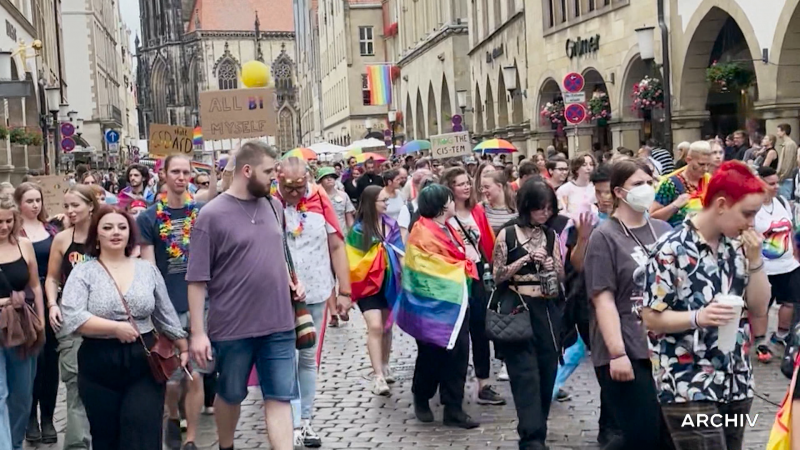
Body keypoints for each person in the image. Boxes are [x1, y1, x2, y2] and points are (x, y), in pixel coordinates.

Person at [642, 161, 771, 450]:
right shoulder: (671, 248)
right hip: (688, 382)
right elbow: (650, 317)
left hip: (736, 378)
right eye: (747, 213)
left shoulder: (738, 247)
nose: (751, 223)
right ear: (722, 205)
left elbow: (760, 308)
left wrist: (756, 260)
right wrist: (698, 317)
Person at [187, 141, 303, 450]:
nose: (273, 179)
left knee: (280, 396)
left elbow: (279, 252)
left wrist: (294, 281)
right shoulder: (210, 215)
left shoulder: (273, 206)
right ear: (247, 171)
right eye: (268, 172)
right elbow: (197, 279)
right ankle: (226, 446)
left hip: (279, 323)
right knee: (231, 393)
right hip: (233, 327)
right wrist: (198, 333)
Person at [59, 205, 188, 450]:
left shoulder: (146, 269)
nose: (115, 232)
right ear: (97, 235)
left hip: (143, 358)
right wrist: (114, 328)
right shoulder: (84, 272)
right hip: (98, 359)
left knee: (142, 429)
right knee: (106, 436)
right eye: (107, 228)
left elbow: (165, 314)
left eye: (122, 227)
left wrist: (183, 345)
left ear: (130, 233)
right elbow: (73, 317)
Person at [583, 159, 672, 449]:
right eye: (638, 184)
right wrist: (617, 353)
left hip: (668, 348)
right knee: (641, 434)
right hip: (628, 347)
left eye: (649, 182)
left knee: (671, 434)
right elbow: (603, 298)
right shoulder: (605, 236)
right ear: (620, 192)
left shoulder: (663, 230)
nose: (646, 189)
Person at [273, 157, 351, 447]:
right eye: (287, 187)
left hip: (317, 291)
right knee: (285, 358)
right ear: (277, 179)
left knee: (307, 358)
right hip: (278, 293)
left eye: (299, 186)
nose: (294, 194)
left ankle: (305, 422)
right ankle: (288, 422)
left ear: (308, 178)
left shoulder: (320, 199)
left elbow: (336, 244)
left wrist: (344, 290)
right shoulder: (268, 202)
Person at [136, 154, 204, 450]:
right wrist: (159, 312)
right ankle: (173, 417)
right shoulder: (149, 217)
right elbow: (150, 269)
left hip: (201, 304)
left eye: (185, 172)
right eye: (174, 171)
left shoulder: (201, 214)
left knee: (197, 374)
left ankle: (190, 439)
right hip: (167, 308)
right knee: (172, 377)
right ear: (163, 175)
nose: (181, 177)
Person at [398, 184, 479, 429]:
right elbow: (427, 268)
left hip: (455, 302)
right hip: (432, 306)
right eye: (451, 199)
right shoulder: (422, 231)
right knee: (431, 355)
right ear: (443, 205)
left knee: (459, 355)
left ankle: (453, 407)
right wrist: (463, 263)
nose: (455, 202)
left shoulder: (448, 228)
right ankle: (421, 396)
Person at [492, 179, 564, 450]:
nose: (544, 213)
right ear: (527, 207)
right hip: (517, 307)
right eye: (539, 208)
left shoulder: (550, 235)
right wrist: (523, 260)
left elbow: (560, 274)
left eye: (548, 209)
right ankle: (531, 438)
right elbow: (497, 274)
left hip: (545, 309)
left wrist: (549, 263)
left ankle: (538, 430)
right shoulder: (508, 234)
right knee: (525, 376)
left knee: (547, 372)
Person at [441, 167, 505, 405]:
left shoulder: (477, 210)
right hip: (453, 275)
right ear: (449, 187)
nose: (467, 187)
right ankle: (450, 383)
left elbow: (486, 242)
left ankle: (483, 383)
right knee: (455, 331)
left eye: (468, 183)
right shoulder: (443, 214)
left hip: (477, 273)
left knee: (480, 329)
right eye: (460, 184)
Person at [45, 185, 96, 450]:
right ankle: (77, 445)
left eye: (75, 205)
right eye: (66, 206)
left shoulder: (105, 234)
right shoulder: (63, 239)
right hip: (71, 318)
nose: (70, 211)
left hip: (104, 318)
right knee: (75, 385)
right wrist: (53, 304)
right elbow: (53, 277)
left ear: (91, 205)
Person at [346, 185, 404, 396]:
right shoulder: (358, 231)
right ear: (372, 203)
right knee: (376, 326)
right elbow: (351, 260)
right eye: (383, 201)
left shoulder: (392, 225)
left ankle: (385, 364)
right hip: (368, 285)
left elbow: (401, 252)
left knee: (387, 326)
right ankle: (378, 375)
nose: (387, 204)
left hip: (390, 282)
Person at [14, 183, 60, 445]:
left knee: (50, 363)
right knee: (32, 362)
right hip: (25, 302)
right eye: (29, 200)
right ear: (19, 203)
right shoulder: (13, 232)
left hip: (53, 298)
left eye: (38, 200)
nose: (35, 205)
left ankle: (49, 418)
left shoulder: (52, 230)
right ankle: (30, 417)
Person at [0, 195, 45, 450]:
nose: (4, 227)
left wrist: (40, 320)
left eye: (9, 221)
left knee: (21, 395)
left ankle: (15, 443)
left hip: (22, 326)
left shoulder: (24, 245)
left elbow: (35, 286)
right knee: (0, 394)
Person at [749, 166, 799, 363]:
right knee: (761, 307)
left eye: (777, 182)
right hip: (764, 266)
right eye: (771, 183)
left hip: (788, 264)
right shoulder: (752, 206)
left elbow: (791, 228)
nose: (776, 186)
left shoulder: (781, 201)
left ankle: (781, 337)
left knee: (790, 302)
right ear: (759, 183)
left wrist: (795, 252)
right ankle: (761, 343)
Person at [650, 140, 712, 227]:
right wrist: (675, 205)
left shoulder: (710, 180)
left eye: (708, 164)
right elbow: (652, 219)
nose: (705, 169)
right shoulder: (670, 184)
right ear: (688, 160)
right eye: (701, 164)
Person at [556, 153, 597, 221]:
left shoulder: (596, 188)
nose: (589, 168)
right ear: (576, 169)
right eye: (584, 165)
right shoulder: (564, 190)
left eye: (591, 164)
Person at [398, 169, 434, 240]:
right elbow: (404, 238)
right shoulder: (408, 209)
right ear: (416, 185)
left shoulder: (438, 205)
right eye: (426, 183)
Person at [317, 167, 355, 231]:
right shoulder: (316, 197)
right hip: (324, 235)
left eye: (332, 177)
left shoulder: (343, 195)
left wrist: (352, 234)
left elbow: (349, 218)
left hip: (342, 234)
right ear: (321, 181)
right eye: (326, 177)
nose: (329, 179)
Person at [777, 123, 798, 199]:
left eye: (778, 131)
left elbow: (788, 162)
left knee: (786, 199)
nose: (777, 133)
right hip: (784, 178)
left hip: (787, 178)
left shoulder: (790, 144)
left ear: (784, 132)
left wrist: (783, 175)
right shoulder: (786, 144)